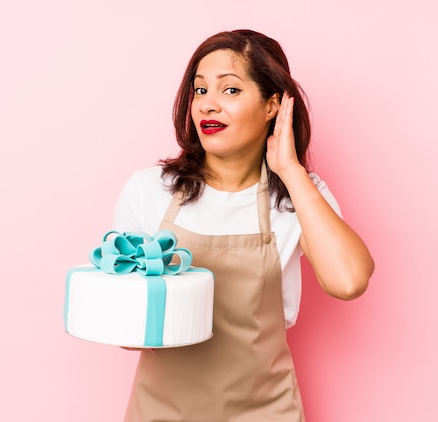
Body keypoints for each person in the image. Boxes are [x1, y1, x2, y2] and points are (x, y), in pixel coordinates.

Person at [113, 29, 374, 422]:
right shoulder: (150, 191)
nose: (208, 106)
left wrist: (290, 171)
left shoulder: (297, 197)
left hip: (266, 413)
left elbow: (349, 281)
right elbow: (127, 337)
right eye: (199, 91)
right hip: (161, 413)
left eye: (230, 91)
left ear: (272, 105)